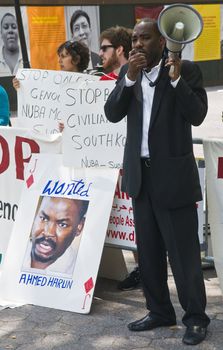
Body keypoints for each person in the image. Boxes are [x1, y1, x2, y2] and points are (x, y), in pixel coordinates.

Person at [104, 18, 210, 346]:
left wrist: (177, 82)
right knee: (148, 252)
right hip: (140, 176)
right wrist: (130, 79)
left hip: (173, 178)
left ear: (161, 42)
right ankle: (159, 311)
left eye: (144, 39)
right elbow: (112, 113)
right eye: (134, 39)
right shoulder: (128, 74)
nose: (137, 44)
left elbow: (197, 115)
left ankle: (195, 318)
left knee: (184, 255)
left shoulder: (186, 71)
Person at [13, 40, 89, 132]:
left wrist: (71, 126)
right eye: (59, 57)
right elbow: (39, 103)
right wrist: (21, 89)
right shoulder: (53, 83)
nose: (59, 60)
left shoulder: (89, 85)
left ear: (76, 59)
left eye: (64, 56)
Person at [23, 196, 89, 275]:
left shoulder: (79, 273)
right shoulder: (16, 250)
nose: (48, 232)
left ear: (79, 227)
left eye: (62, 224)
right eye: (43, 218)